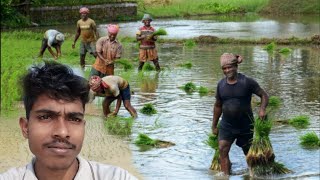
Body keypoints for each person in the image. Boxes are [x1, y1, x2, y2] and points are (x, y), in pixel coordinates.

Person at [0, 62, 137, 180]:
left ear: (83, 127)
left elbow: (117, 98)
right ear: (25, 127)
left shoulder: (115, 177)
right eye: (46, 117)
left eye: (74, 119)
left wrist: (117, 110)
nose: (62, 132)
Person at [211, 53, 269, 175]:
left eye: (229, 67)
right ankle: (225, 176)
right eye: (224, 68)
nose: (227, 70)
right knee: (222, 149)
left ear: (236, 66)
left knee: (248, 152)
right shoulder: (221, 85)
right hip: (227, 125)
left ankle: (253, 175)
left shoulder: (247, 82)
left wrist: (262, 109)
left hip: (245, 125)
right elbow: (217, 106)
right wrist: (214, 125)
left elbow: (264, 95)